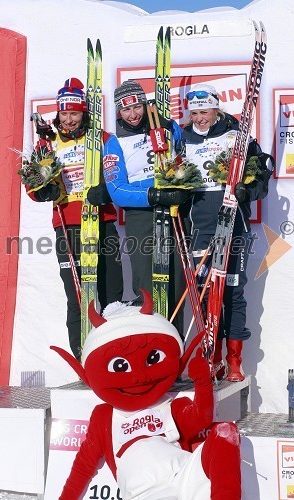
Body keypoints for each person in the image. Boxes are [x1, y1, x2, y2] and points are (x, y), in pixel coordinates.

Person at [51, 289, 242, 500]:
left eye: (152, 358)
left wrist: (202, 382)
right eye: (121, 366)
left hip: (185, 474)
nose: (139, 377)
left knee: (225, 431)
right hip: (145, 491)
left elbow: (201, 419)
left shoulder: (170, 404)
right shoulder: (105, 417)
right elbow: (84, 466)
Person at [26, 78, 123, 360]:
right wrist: (45, 191)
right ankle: (84, 355)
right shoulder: (47, 144)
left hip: (100, 220)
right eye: (64, 114)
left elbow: (118, 177)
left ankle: (115, 353)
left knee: (110, 291)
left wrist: (106, 190)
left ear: (85, 113)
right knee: (78, 293)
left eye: (75, 113)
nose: (68, 120)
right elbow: (31, 186)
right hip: (67, 225)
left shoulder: (103, 139)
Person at [182, 83, 274, 381]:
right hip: (201, 229)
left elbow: (261, 173)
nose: (199, 118)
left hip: (234, 226)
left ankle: (234, 361)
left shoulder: (238, 136)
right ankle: (214, 357)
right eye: (194, 113)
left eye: (204, 111)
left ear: (216, 109)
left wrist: (246, 191)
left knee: (233, 291)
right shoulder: (182, 140)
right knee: (206, 293)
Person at [102, 80, 190, 338]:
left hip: (172, 209)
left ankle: (175, 349)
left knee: (176, 282)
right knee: (147, 284)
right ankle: (150, 346)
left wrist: (171, 131)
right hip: (141, 215)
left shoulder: (167, 126)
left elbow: (186, 154)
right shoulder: (114, 141)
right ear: (119, 111)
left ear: (145, 104)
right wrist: (153, 194)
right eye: (126, 110)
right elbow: (117, 191)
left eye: (137, 107)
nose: (133, 115)